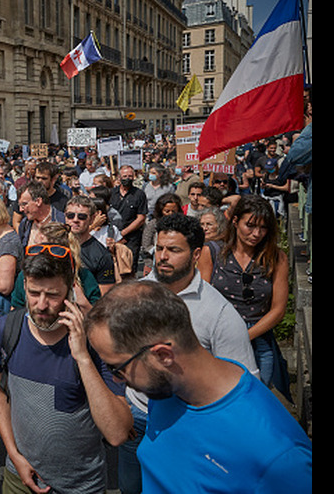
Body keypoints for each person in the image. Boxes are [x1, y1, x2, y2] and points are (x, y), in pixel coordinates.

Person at [84, 281, 312, 493]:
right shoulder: (166, 388)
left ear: (163, 355)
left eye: (117, 369)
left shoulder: (279, 457)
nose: (116, 380)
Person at [118, 214, 259, 494]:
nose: (163, 257)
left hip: (186, 426)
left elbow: (245, 387)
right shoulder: (138, 294)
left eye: (174, 250)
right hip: (135, 418)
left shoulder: (219, 314)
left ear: (196, 254)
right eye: (159, 249)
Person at [0, 241, 131, 494]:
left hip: (80, 487)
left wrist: (83, 357)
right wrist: (12, 452)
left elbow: (117, 433)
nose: (41, 305)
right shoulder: (5, 330)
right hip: (18, 478)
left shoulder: (98, 341)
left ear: (71, 291)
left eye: (52, 295)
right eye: (33, 292)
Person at [198, 194, 291, 397]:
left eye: (263, 228)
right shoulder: (212, 252)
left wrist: (244, 337)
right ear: (235, 221)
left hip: (259, 340)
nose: (256, 233)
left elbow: (278, 310)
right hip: (218, 339)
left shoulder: (277, 258)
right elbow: (202, 301)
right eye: (250, 225)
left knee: (256, 399)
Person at [110, 165, 148, 274]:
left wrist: (123, 233)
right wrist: (116, 235)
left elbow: (141, 218)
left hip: (131, 238)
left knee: (130, 268)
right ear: (119, 177)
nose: (127, 178)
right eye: (124, 176)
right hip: (113, 237)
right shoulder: (112, 193)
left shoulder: (139, 194)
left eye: (130, 176)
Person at [15, 181, 66, 246]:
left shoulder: (62, 222)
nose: (21, 209)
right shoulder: (25, 224)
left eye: (24, 204)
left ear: (38, 201)